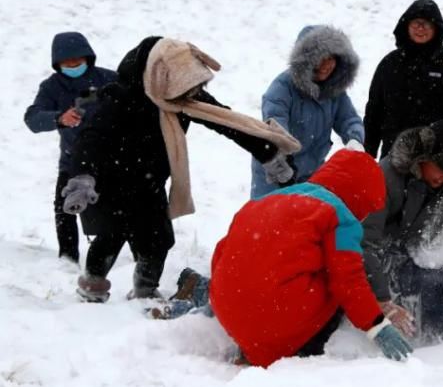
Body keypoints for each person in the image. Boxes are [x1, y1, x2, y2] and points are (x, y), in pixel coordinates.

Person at [63, 37, 301, 303]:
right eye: (185, 91)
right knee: (111, 235)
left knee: (158, 241)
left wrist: (267, 152)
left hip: (148, 185)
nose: (191, 97)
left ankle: (144, 293)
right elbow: (90, 139)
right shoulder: (119, 97)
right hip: (109, 184)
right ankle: (91, 290)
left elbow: (226, 121)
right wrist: (82, 178)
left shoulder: (184, 95)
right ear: (160, 78)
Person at [207, 150, 413, 367]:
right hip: (278, 319)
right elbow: (348, 281)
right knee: (335, 278)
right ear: (359, 197)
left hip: (230, 312)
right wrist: (377, 326)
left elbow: (221, 254)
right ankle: (303, 353)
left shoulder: (263, 201)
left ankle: (252, 345)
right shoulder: (339, 215)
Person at [362, 119, 443, 344]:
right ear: (424, 157)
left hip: (410, 255)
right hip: (377, 258)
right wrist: (383, 300)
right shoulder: (386, 177)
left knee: (439, 277)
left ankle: (442, 345)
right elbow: (365, 243)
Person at [24, 32, 118, 265]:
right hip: (72, 162)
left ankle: (120, 258)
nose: (74, 66)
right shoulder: (51, 87)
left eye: (78, 61)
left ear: (88, 57)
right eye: (68, 63)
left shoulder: (108, 78)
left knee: (117, 211)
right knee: (64, 209)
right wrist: (59, 118)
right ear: (58, 64)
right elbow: (33, 118)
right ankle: (68, 258)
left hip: (111, 161)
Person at [250, 24, 365, 198]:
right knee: (270, 220)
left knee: (305, 222)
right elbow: (275, 127)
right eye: (321, 58)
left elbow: (349, 119)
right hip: (275, 171)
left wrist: (355, 139)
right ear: (306, 61)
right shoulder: (281, 88)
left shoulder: (334, 92)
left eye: (331, 58)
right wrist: (284, 160)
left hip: (312, 173)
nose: (327, 65)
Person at [363, 0, 443, 159]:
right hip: (393, 156)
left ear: (436, 28)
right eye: (416, 23)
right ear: (406, 26)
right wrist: (367, 154)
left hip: (436, 161)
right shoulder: (389, 64)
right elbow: (374, 113)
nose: (421, 29)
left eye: (427, 24)